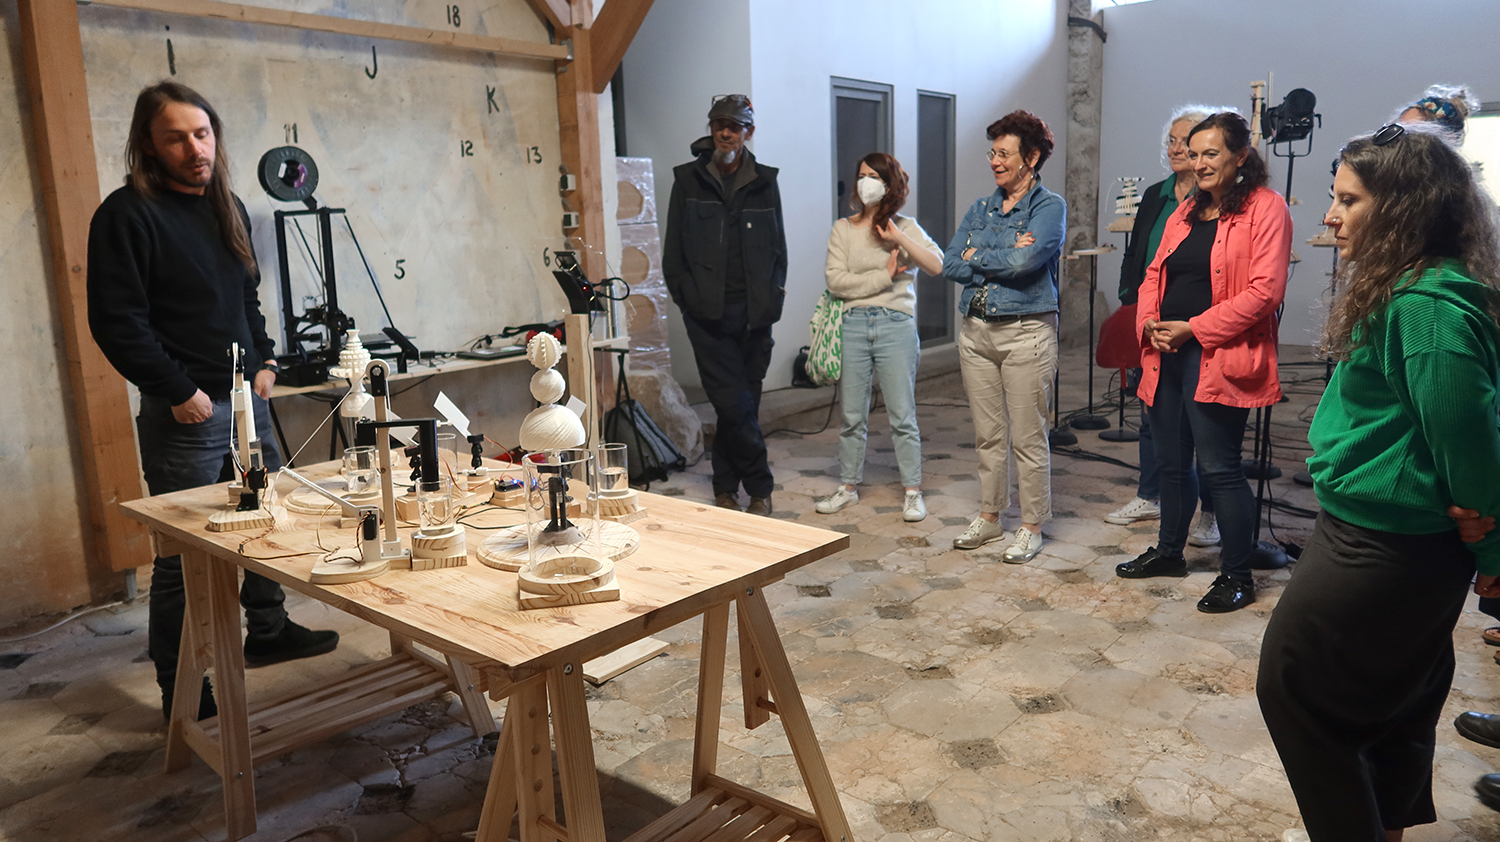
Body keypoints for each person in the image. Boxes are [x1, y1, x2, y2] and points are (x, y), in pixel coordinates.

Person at [1256, 121, 1500, 841]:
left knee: (1294, 686)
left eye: (1349, 200)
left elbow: (1469, 441)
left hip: (1386, 544)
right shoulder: (1412, 286)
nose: (1331, 216)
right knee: (1394, 698)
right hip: (1400, 538)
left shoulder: (1425, 308)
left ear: (1403, 209)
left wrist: (1492, 548)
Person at [87, 81, 339, 722]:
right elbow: (117, 322)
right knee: (182, 560)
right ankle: (181, 689)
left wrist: (265, 360)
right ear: (149, 143)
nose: (193, 148)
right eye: (175, 138)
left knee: (266, 523)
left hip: (246, 402)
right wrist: (178, 390)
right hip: (186, 415)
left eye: (201, 134)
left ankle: (269, 630)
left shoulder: (226, 206)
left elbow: (244, 296)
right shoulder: (126, 214)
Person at [1113, 112, 1291, 614]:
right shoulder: (1187, 209)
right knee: (1171, 462)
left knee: (1219, 467)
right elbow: (1153, 272)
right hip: (1166, 350)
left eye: (1211, 153)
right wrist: (1148, 322)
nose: (1199, 163)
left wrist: (1194, 327)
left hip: (1219, 352)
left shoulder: (1266, 207)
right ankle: (1170, 553)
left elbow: (1265, 291)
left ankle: (1237, 576)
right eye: (1194, 154)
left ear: (1241, 156)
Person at [942, 111, 1065, 563]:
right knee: (988, 435)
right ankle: (991, 518)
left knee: (1028, 437)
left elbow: (1026, 263)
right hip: (976, 331)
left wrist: (979, 253)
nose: (994, 160)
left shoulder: (1049, 207)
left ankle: (1031, 526)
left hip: (1026, 332)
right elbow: (950, 262)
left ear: (1030, 158)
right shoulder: (981, 208)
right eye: (992, 152)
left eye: (1004, 153)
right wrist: (1002, 251)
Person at [662, 94, 787, 516]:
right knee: (735, 405)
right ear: (711, 128)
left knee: (739, 408)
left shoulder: (765, 182)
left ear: (748, 132)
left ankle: (725, 489)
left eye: (734, 126)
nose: (726, 132)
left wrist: (773, 298)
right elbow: (673, 255)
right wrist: (688, 302)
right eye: (719, 124)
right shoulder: (688, 181)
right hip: (707, 319)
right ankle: (761, 487)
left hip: (755, 318)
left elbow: (779, 251)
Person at [1104, 104, 1219, 549]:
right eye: (1170, 140)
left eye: (1184, 141)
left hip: (1195, 326)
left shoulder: (1215, 199)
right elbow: (1136, 254)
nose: (1175, 148)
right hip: (1149, 322)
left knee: (1204, 426)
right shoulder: (1156, 194)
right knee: (1150, 415)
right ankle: (1149, 495)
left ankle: (1209, 513)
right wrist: (1129, 299)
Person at [815, 153, 943, 522]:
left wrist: (898, 236)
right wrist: (885, 277)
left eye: (874, 176)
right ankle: (848, 487)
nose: (865, 182)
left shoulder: (905, 226)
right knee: (852, 415)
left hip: (895, 324)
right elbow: (836, 282)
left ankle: (913, 491)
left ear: (889, 184)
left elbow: (936, 265)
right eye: (861, 175)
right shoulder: (843, 229)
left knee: (902, 414)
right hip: (853, 325)